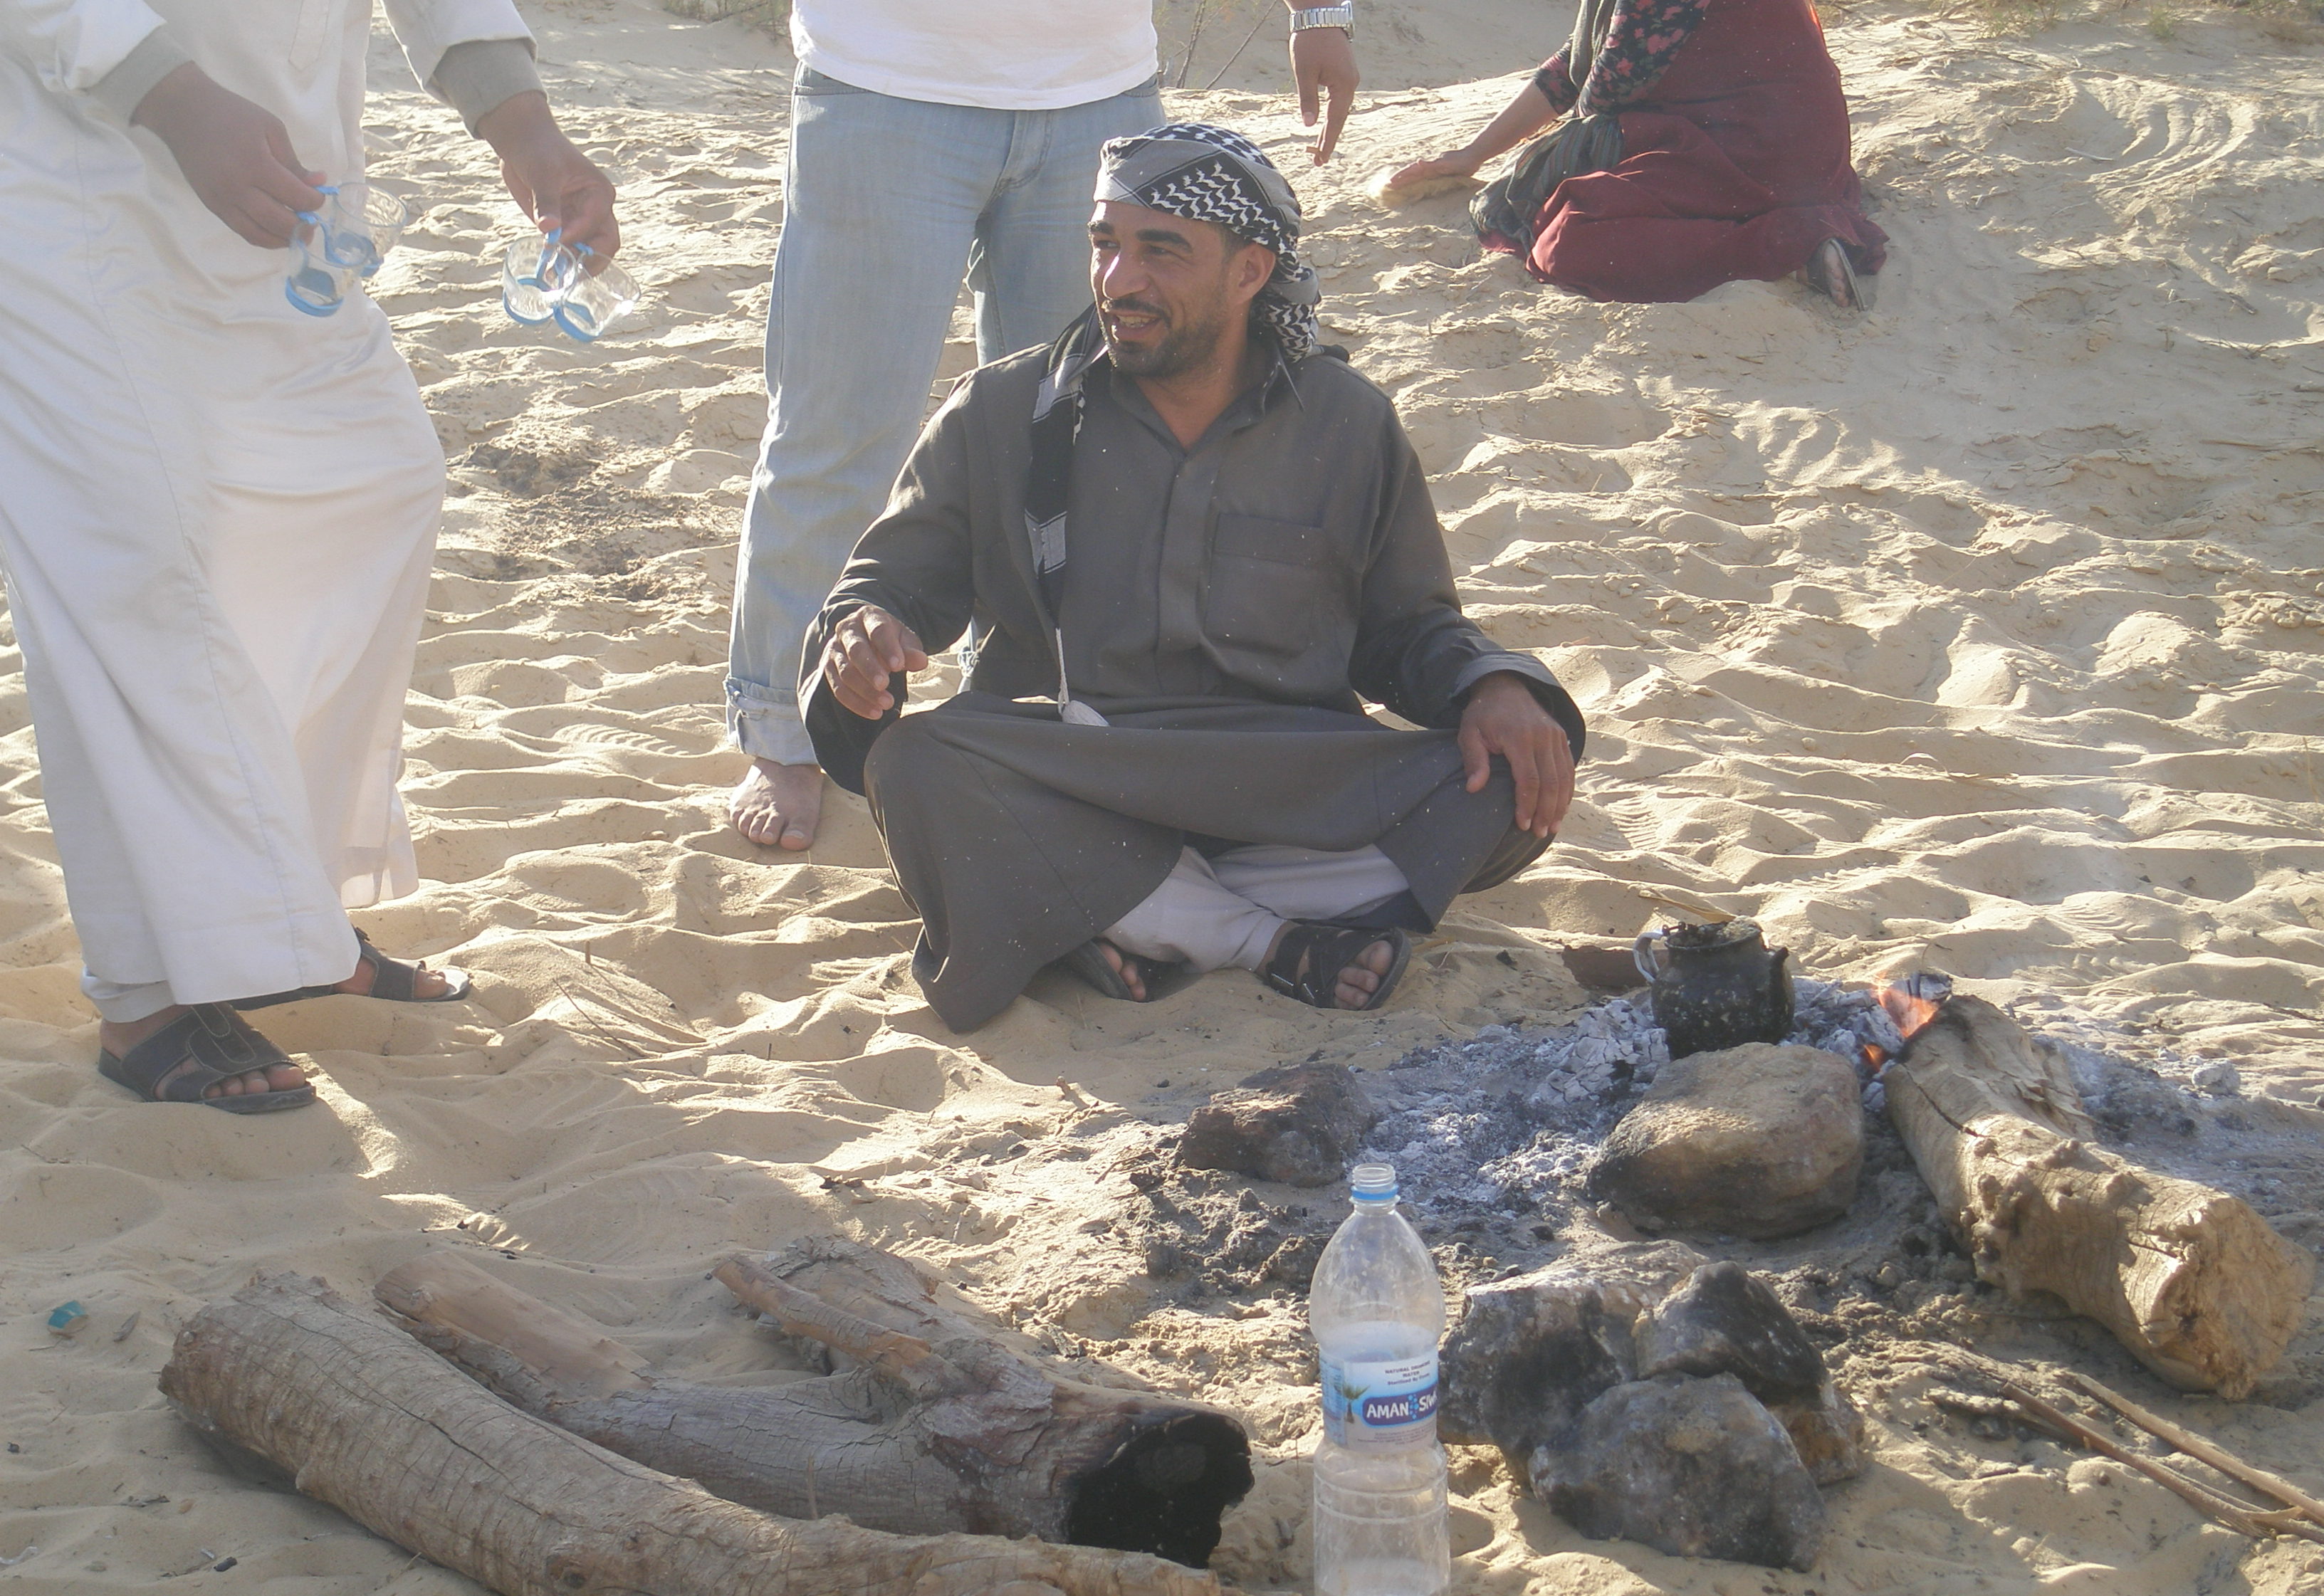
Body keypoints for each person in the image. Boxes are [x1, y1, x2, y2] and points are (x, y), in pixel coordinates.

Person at [800, 123, 1586, 1034]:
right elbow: (885, 586)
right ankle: (1258, 939)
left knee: (1512, 778)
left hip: (1282, 784)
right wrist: (861, 638)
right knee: (919, 764)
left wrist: (1491, 686)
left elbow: (1408, 630)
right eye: (1104, 245)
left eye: (1160, 253)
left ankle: (1111, 908)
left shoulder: (1346, 423)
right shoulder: (1005, 411)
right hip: (1069, 769)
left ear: (1250, 272)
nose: (1117, 281)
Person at [0, 0, 617, 1111]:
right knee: (139, 568)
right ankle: (144, 996)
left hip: (281, 190)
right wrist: (173, 95)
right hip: (78, 181)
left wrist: (522, 126)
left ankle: (285, 920)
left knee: (381, 480)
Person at [725, 0, 1364, 854]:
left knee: (1079, 432)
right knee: (836, 434)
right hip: (883, 77)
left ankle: (1015, 702)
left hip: (1099, 90)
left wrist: (1318, 11)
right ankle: (784, 731)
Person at [1386, 0, 1885, 308]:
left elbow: (1605, 91)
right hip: (1793, 150)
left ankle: (1792, 243)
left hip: (1752, 151)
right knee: (1540, 190)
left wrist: (1542, 162)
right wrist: (1473, 154)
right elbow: (1581, 60)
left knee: (1567, 239)